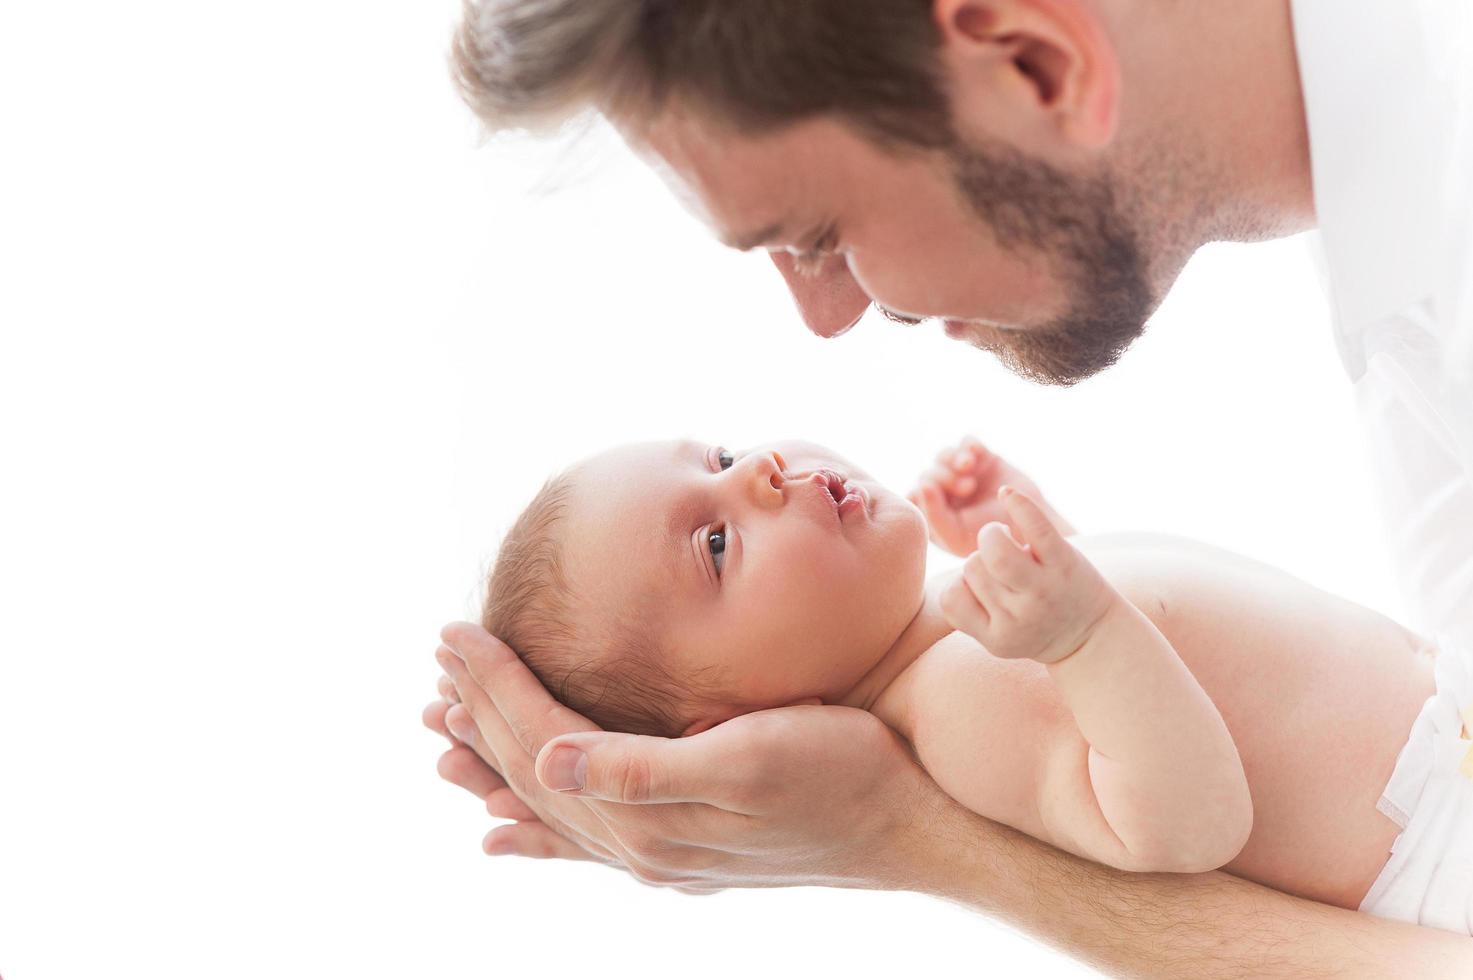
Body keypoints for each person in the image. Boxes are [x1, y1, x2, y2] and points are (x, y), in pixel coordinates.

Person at [425, 0, 1473, 973]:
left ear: (1035, 61)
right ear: (730, 721)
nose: (827, 321)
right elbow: (1176, 814)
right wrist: (1069, 620)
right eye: (713, 543)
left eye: (821, 232)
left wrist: (914, 828)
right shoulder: (961, 704)